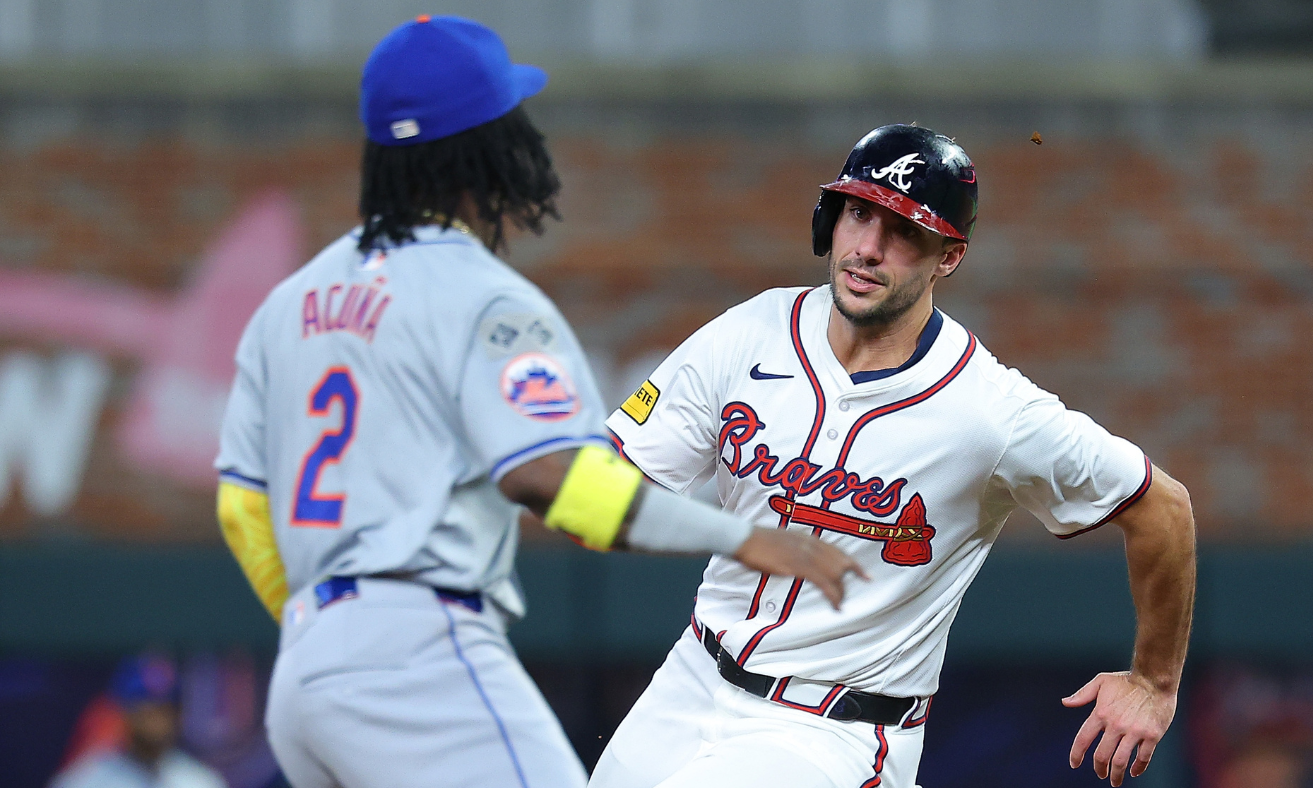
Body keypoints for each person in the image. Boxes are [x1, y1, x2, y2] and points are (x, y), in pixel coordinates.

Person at [213, 14, 860, 788]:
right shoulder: (484, 299)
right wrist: (745, 538)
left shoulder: (291, 303)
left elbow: (242, 509)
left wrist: (325, 630)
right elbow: (555, 480)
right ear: (485, 149)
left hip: (303, 671)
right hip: (418, 649)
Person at [592, 124, 1197, 788]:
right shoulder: (752, 332)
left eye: (904, 231)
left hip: (832, 733)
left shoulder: (990, 410)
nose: (869, 248)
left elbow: (1162, 506)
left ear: (948, 257)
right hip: (690, 681)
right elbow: (608, 486)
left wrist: (1154, 680)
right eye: (860, 214)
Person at [49, 654, 228, 788]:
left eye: (163, 708)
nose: (155, 719)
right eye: (144, 707)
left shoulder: (200, 782)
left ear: (178, 714)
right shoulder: (84, 780)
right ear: (123, 711)